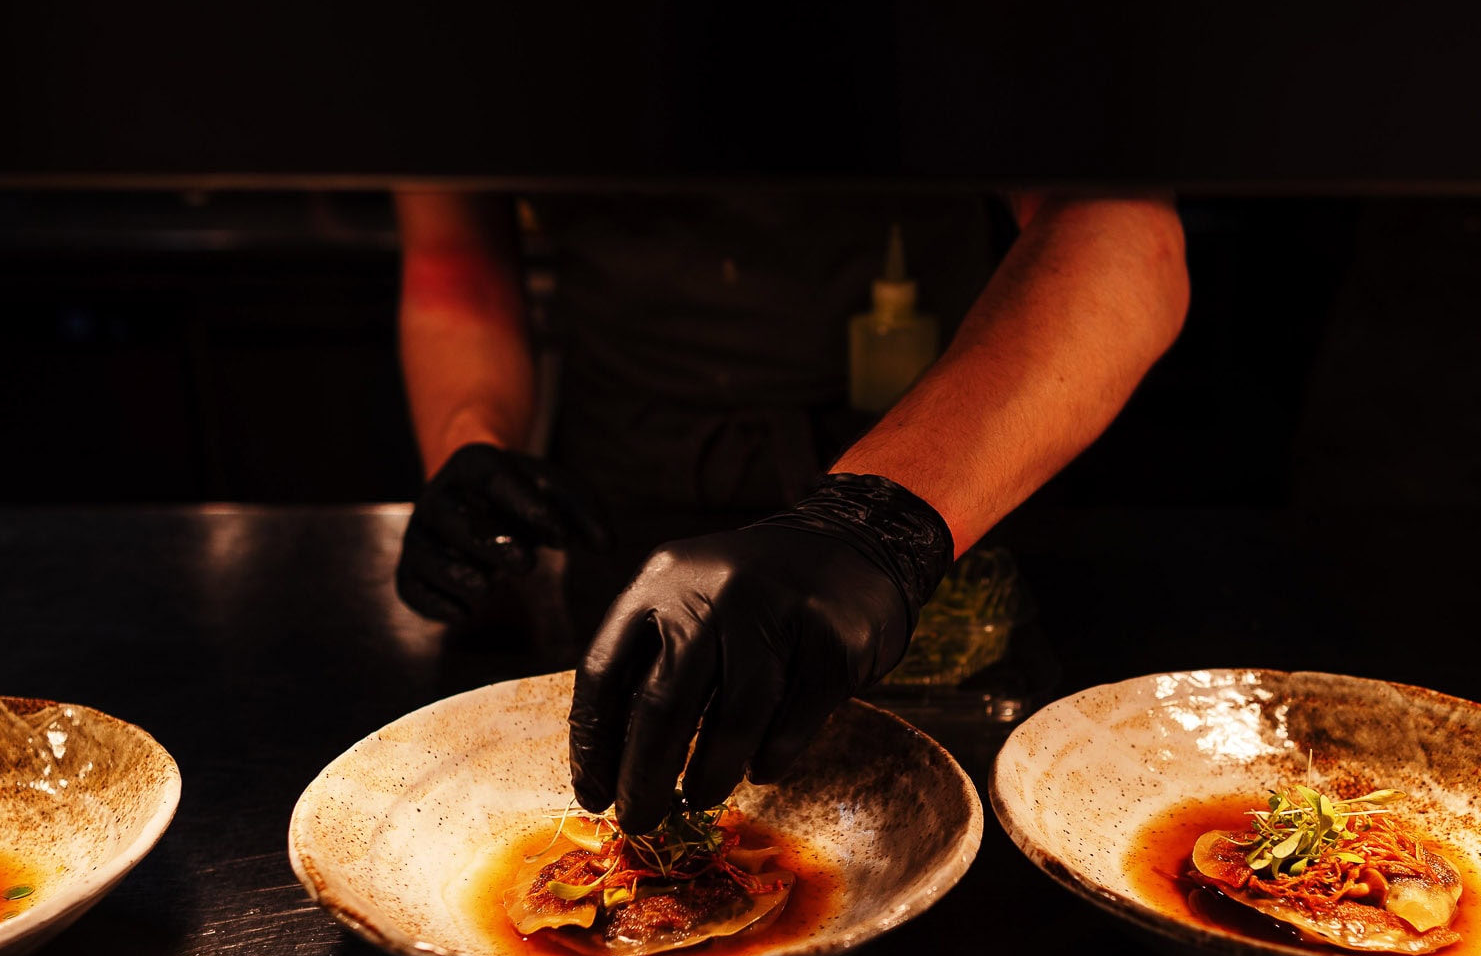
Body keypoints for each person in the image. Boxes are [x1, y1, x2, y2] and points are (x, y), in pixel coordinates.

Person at [393, 190, 1189, 830]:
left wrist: (875, 524)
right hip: (624, 496)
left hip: (944, 485)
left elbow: (1124, 236)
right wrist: (470, 442)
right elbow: (455, 266)